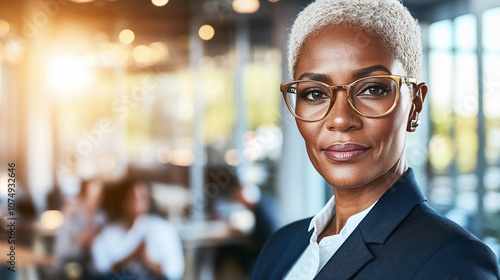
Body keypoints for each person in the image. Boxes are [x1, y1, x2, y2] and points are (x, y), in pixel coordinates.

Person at [250, 0, 500, 279]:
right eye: (315, 94)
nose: (341, 119)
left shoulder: (453, 260)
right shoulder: (280, 245)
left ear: (415, 104)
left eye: (371, 89)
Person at [91, 179, 184, 280]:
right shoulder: (109, 233)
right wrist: (134, 254)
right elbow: (100, 271)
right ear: (124, 201)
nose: (138, 203)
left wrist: (147, 260)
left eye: (143, 197)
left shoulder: (162, 229)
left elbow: (175, 271)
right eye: (133, 198)